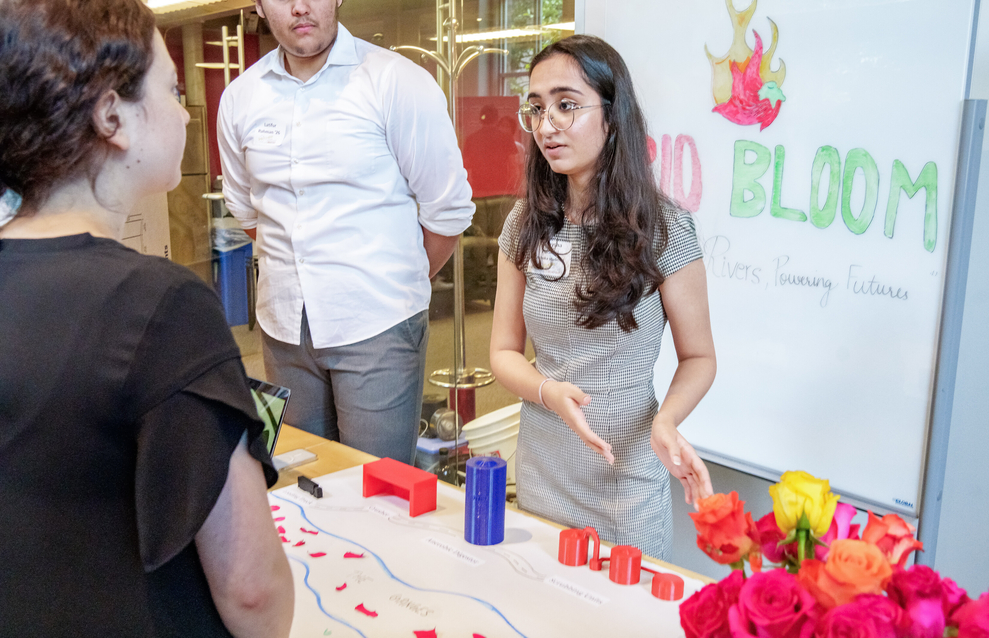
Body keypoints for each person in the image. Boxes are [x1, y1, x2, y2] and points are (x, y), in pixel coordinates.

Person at [0, 1, 293, 635]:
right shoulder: (161, 305)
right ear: (112, 115)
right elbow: (250, 590)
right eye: (173, 89)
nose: (186, 111)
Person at [489, 35, 717, 560]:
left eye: (567, 106)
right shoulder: (525, 225)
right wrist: (549, 392)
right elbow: (503, 351)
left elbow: (700, 358)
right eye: (537, 109)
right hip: (544, 465)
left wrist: (666, 422)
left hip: (627, 476)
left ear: (613, 117)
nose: (547, 126)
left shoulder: (664, 229)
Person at [218, 0, 474, 464]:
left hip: (379, 326)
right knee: (302, 475)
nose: (299, 6)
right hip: (283, 329)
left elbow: (447, 212)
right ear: (256, 5)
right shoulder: (241, 97)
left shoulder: (395, 81)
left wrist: (394, 281)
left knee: (377, 490)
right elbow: (248, 211)